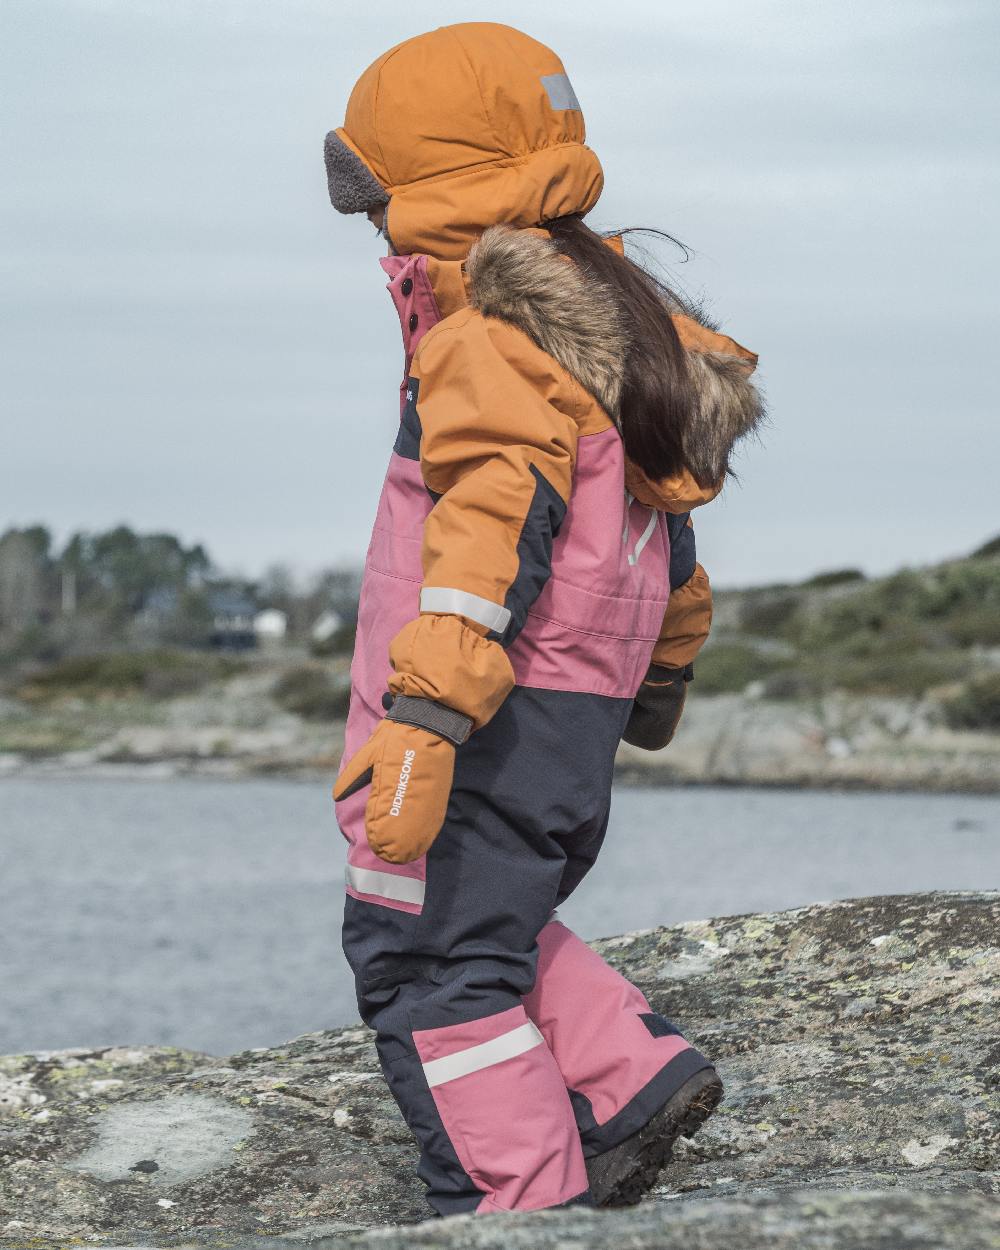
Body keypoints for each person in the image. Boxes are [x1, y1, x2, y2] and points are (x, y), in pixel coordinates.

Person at [325, 21, 763, 1217]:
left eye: (376, 202)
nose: (372, 232)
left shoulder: (487, 340)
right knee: (492, 918)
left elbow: (489, 533)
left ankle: (514, 1202)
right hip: (570, 708)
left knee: (420, 955)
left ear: (423, 190)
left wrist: (423, 715)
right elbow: (664, 532)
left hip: (488, 702)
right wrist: (662, 671)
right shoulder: (612, 322)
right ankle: (626, 1076)